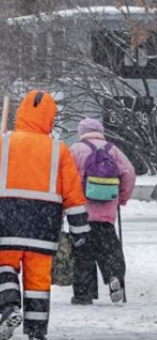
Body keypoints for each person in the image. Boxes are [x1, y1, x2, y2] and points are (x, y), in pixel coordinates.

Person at [0, 90, 88, 340]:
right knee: (38, 280)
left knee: (3, 265)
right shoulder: (59, 150)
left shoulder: (2, 144)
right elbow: (73, 192)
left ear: (22, 112)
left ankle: (10, 306)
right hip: (44, 226)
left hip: (8, 222)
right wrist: (79, 227)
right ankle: (36, 332)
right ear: (50, 118)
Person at [69, 118, 136, 305]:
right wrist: (121, 198)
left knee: (83, 253)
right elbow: (129, 173)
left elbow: (65, 178)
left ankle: (83, 294)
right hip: (106, 212)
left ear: (82, 132)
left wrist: (66, 205)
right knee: (109, 248)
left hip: (82, 212)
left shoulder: (75, 150)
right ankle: (114, 276)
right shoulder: (112, 149)